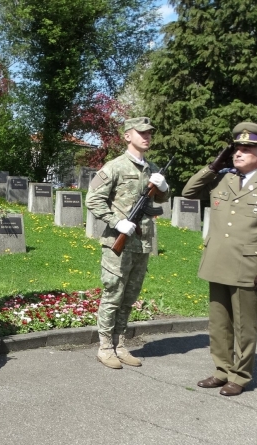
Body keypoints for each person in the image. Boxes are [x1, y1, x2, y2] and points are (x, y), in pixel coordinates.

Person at [182, 122, 257, 396]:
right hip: (217, 261)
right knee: (218, 323)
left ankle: (239, 376)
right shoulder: (223, 178)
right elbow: (188, 192)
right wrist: (213, 166)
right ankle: (221, 370)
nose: (239, 152)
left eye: (247, 148)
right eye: (237, 148)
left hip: (248, 265)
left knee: (243, 326)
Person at [85, 117, 170, 369]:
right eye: (141, 133)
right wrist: (115, 221)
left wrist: (164, 188)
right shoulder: (115, 167)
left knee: (129, 297)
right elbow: (93, 199)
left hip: (142, 243)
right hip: (118, 243)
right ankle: (104, 347)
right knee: (113, 294)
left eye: (149, 133)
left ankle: (120, 344)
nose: (146, 137)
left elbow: (161, 200)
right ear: (127, 136)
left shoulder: (152, 168)